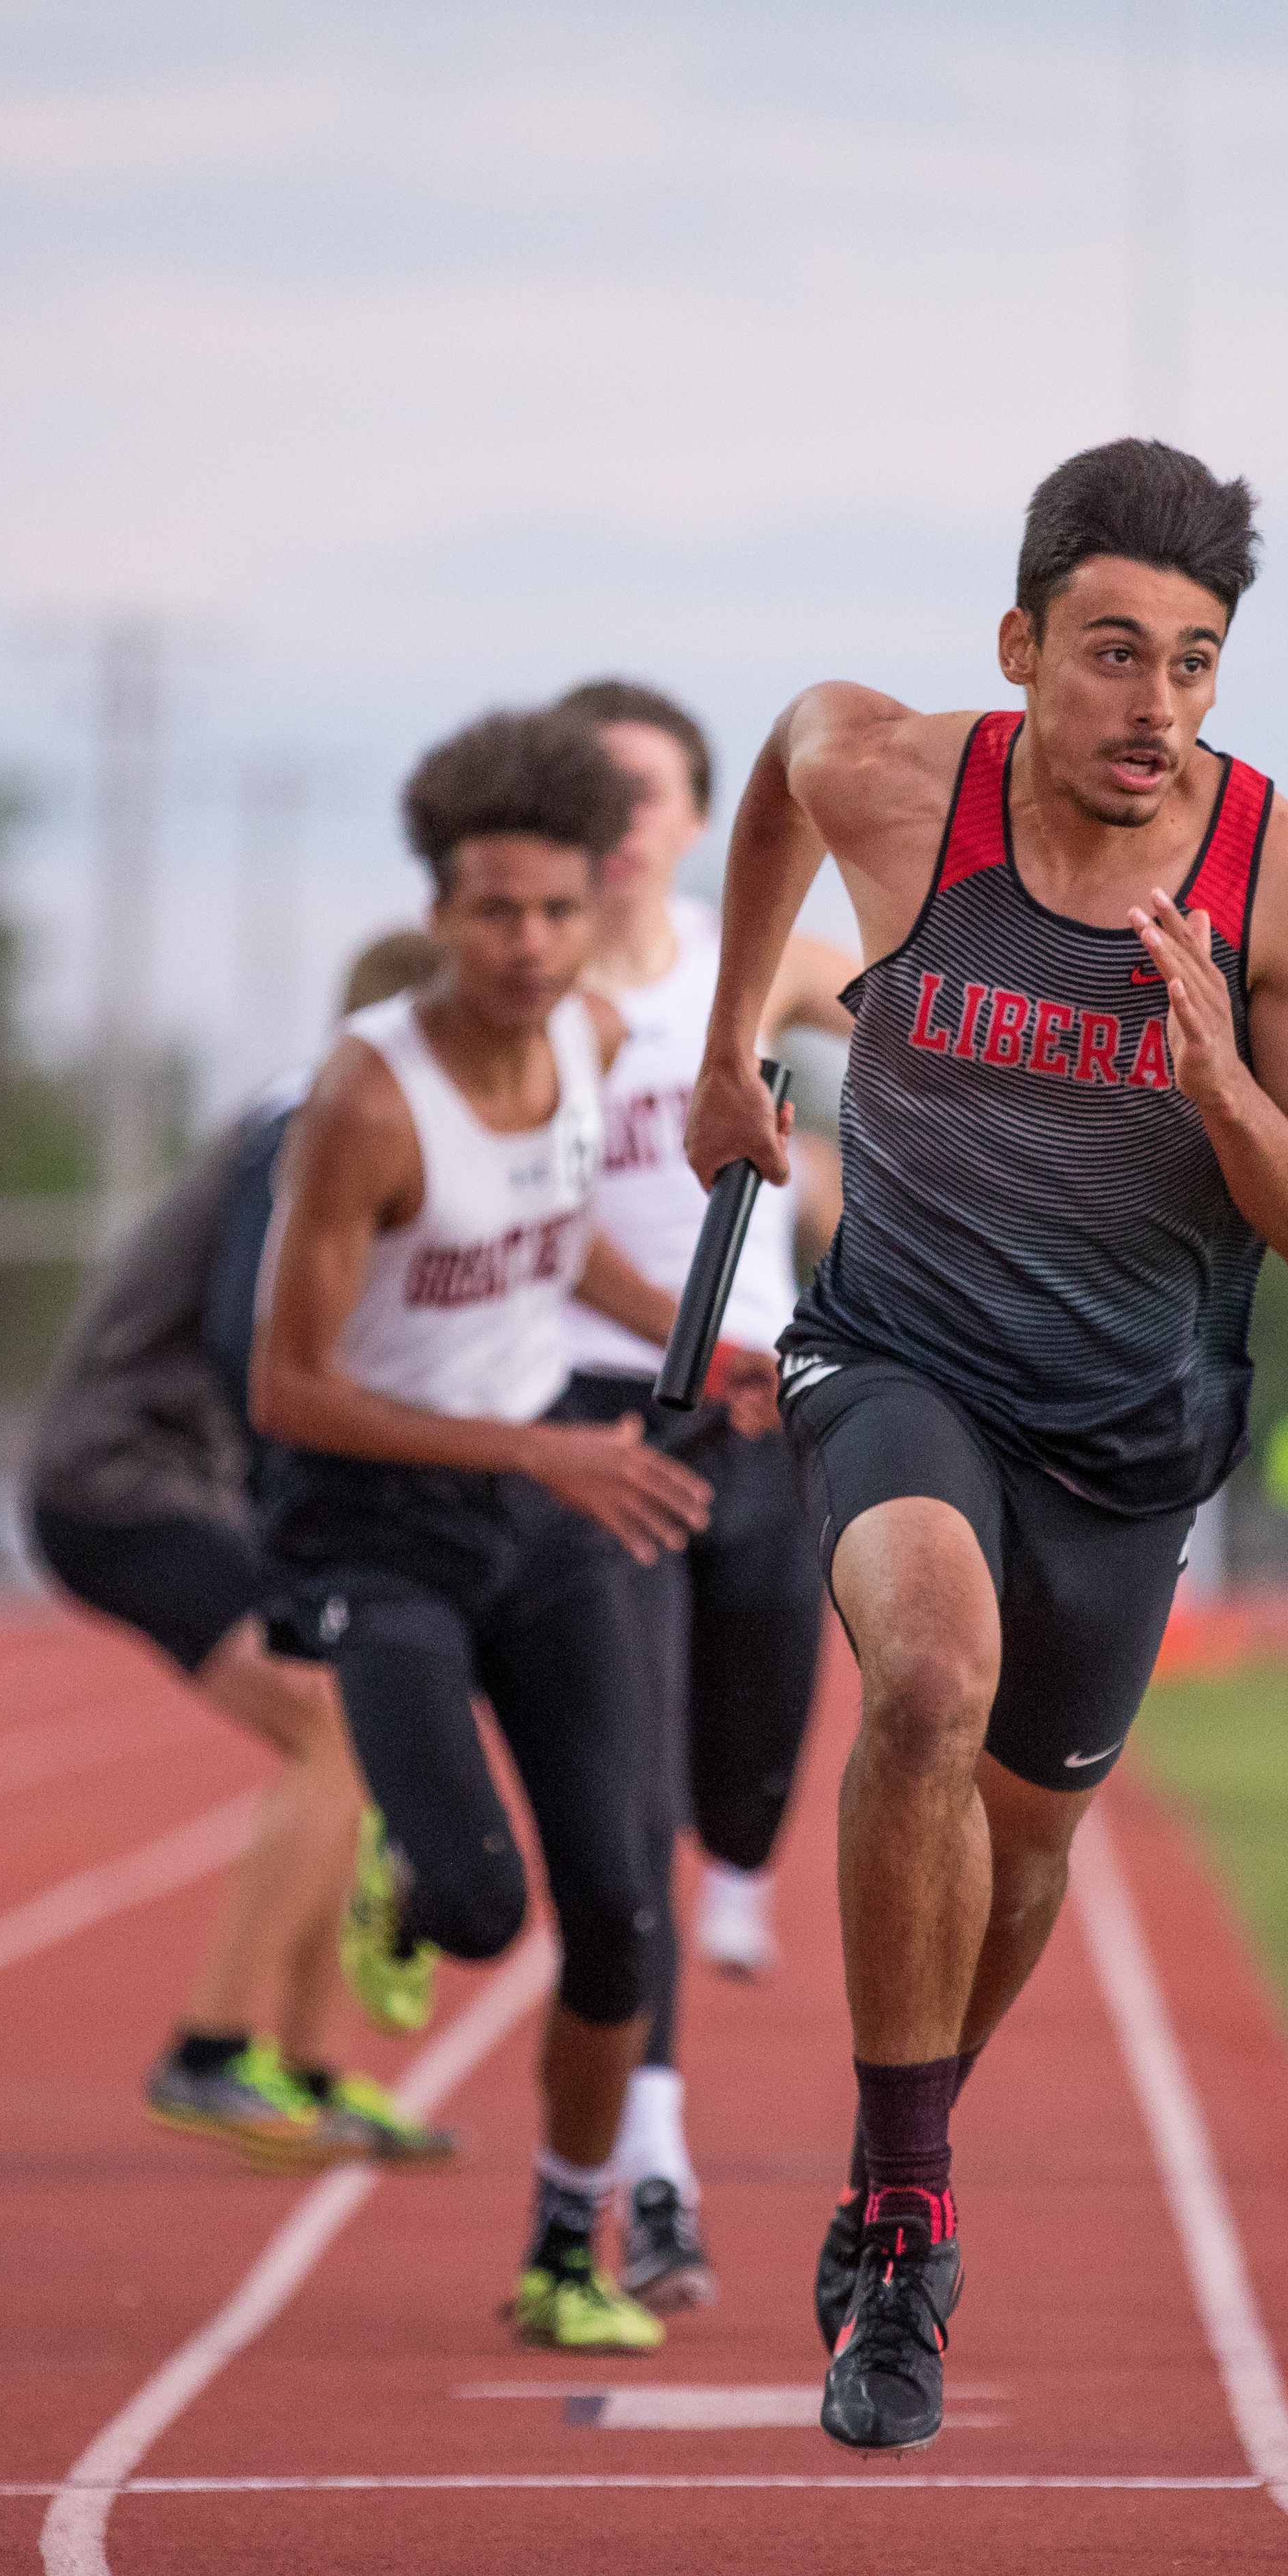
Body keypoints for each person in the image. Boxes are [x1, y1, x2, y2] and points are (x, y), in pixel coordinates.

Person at [686, 437, 1288, 2452]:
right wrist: (736, 1044)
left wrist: (1217, 1082)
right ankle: (910, 2220)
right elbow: (783, 761)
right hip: (898, 1356)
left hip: (1129, 1435)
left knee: (1027, 1839)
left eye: (1189, 660)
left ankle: (890, 2133)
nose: (1148, 704)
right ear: (1018, 644)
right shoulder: (907, 781)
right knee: (926, 1673)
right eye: (1106, 652)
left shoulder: (1286, 885)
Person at [255, 711, 766, 2355]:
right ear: (441, 910)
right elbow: (286, 1388)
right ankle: (413, 1878)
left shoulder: (589, 1042)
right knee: (483, 1914)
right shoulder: (365, 1105)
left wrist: (708, 1347)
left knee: (618, 1907)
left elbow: (555, 1257)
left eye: (554, 912)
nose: (531, 945)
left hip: (536, 1502)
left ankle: (568, 2244)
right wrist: (535, 1449)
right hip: (378, 1524)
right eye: (495, 913)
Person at [23, 928, 457, 2175]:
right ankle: (210, 2054)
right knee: (336, 1725)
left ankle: (308, 2073)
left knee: (358, 1722)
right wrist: (305, 1506)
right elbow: (245, 1334)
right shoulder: (304, 1125)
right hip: (123, 1480)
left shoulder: (351, 1134)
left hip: (191, 1476)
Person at [537, 677, 856, 2311]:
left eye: (645, 793)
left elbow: (915, 1013)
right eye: (587, 796)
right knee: (637, 1809)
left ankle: (738, 1871)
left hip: (763, 1430)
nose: (618, 825)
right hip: (605, 1428)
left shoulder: (766, 973)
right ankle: (653, 2172)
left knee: (745, 1791)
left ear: (688, 817)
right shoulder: (531, 1009)